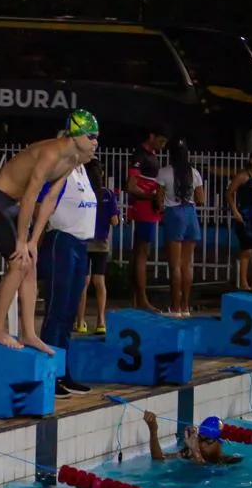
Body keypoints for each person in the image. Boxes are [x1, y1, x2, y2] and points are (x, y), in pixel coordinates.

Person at [0, 109, 100, 353]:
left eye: (97, 137)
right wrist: (22, 240)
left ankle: (30, 334)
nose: (96, 142)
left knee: (29, 262)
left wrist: (33, 241)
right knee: (19, 263)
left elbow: (50, 199)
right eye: (91, 136)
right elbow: (31, 196)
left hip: (12, 206)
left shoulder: (72, 160)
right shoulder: (51, 153)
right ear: (75, 135)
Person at [36, 144, 99, 395]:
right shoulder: (60, 168)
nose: (94, 143)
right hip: (61, 242)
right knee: (56, 311)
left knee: (69, 315)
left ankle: (63, 371)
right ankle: (49, 374)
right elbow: (41, 203)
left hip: (80, 245)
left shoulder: (83, 170)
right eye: (90, 137)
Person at [156, 139, 204, 317]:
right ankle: (186, 307)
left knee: (174, 266)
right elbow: (201, 199)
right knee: (187, 265)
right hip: (191, 214)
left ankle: (175, 307)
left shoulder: (164, 172)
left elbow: (159, 201)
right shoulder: (194, 173)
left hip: (174, 213)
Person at [126, 127, 168, 312]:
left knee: (138, 254)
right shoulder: (140, 155)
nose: (163, 145)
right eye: (161, 140)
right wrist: (153, 197)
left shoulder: (151, 155)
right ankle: (142, 299)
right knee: (142, 254)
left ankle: (136, 299)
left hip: (149, 209)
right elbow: (131, 186)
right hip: (145, 210)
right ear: (151, 136)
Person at [75, 159, 119, 334]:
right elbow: (114, 221)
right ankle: (101, 321)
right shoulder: (107, 194)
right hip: (101, 243)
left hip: (84, 240)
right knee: (99, 281)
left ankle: (80, 322)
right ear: (101, 174)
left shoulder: (83, 192)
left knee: (83, 282)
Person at [226, 150, 252, 292]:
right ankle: (243, 282)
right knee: (246, 250)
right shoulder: (244, 175)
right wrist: (236, 212)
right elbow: (229, 193)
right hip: (245, 217)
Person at [144, 411, 242, 465]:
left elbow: (203, 474)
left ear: (220, 441)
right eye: (200, 439)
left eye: (208, 441)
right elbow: (159, 458)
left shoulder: (228, 463)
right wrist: (153, 430)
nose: (202, 445)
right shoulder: (189, 453)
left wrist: (195, 451)